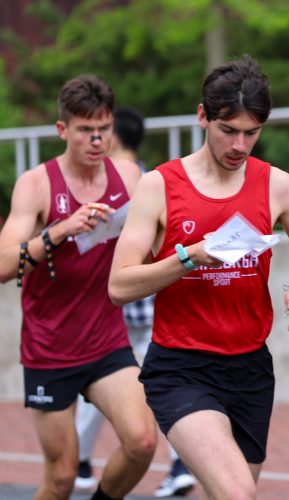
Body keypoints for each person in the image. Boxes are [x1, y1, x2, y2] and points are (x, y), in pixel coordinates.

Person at [108, 54, 289, 499]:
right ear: (202, 117)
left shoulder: (277, 185)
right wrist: (190, 257)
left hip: (251, 367)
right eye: (228, 130)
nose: (239, 145)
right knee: (238, 492)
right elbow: (119, 286)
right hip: (181, 367)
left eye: (251, 133)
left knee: (228, 493)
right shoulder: (160, 186)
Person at [0, 74, 157, 500]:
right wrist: (59, 231)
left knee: (142, 443)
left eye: (103, 129)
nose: (96, 139)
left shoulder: (126, 175)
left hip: (107, 342)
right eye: (86, 130)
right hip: (50, 350)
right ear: (62, 130)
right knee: (62, 479)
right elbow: (2, 265)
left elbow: (157, 236)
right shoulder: (36, 184)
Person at [75, 106, 196, 497]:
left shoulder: (113, 185)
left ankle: (79, 461)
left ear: (111, 136)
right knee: (166, 387)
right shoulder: (157, 179)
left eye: (101, 132)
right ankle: (180, 464)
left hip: (114, 307)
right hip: (152, 301)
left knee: (101, 384)